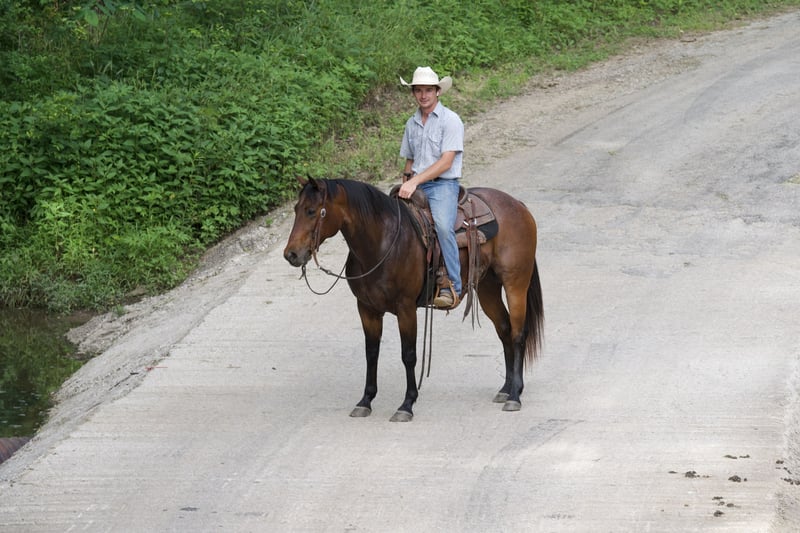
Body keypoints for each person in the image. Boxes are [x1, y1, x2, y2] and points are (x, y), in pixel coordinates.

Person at [397, 66, 464, 309]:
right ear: (413, 93)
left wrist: (415, 182)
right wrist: (406, 180)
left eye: (428, 90)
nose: (423, 95)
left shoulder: (450, 120)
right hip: (415, 183)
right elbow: (410, 159)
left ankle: (453, 285)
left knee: (444, 227)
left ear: (437, 91)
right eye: (418, 90)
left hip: (442, 185)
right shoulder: (412, 123)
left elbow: (446, 162)